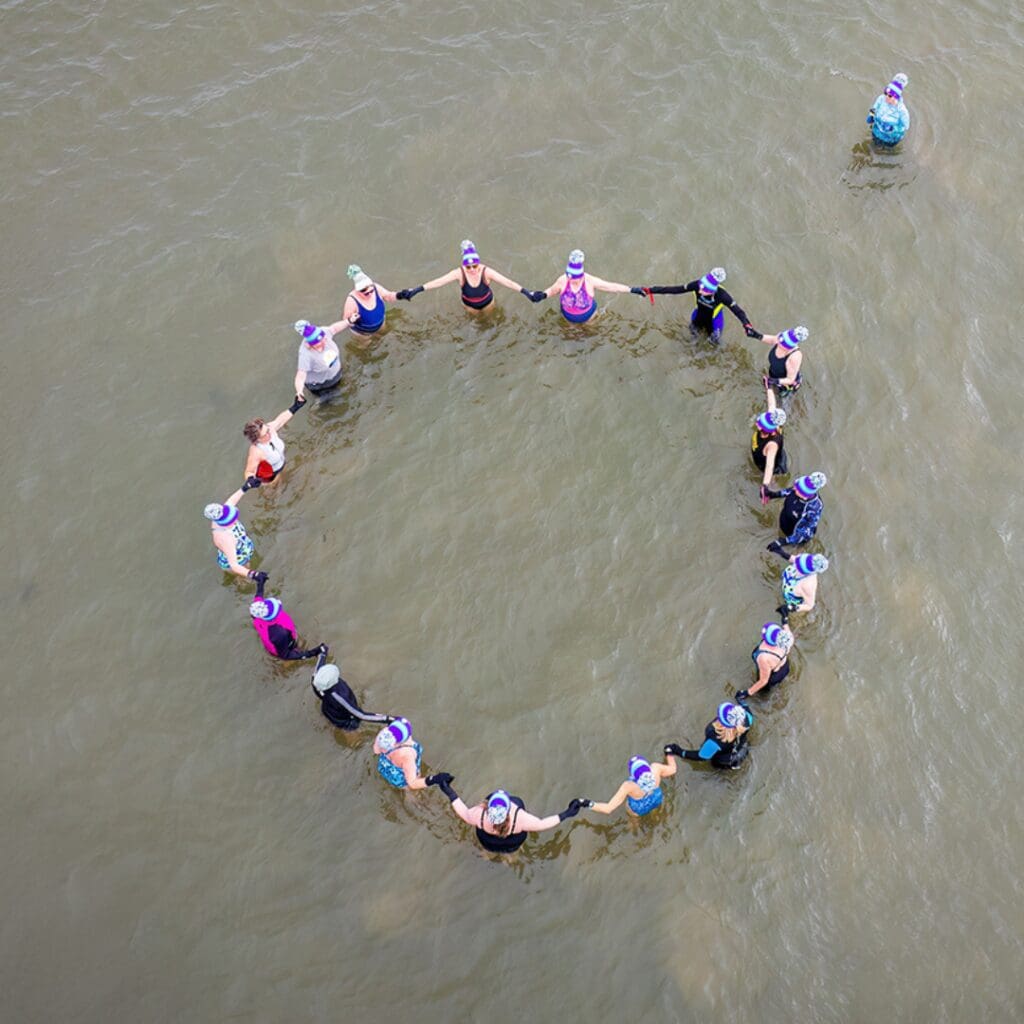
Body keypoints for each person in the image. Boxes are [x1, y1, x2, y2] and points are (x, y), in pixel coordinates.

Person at [426, 776, 586, 853]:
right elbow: (542, 824)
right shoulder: (519, 818)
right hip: (512, 843)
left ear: (489, 808)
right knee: (519, 802)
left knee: (488, 850)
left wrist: (448, 791)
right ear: (508, 808)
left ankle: (488, 855)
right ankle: (510, 857)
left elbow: (464, 813)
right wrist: (567, 813)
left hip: (487, 841)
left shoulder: (480, 815)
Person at [395, 240, 545, 311]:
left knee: (491, 321)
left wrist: (528, 293)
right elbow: (438, 282)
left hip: (488, 303)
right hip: (469, 306)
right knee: (475, 326)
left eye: (475, 266)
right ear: (464, 265)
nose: (472, 269)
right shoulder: (458, 273)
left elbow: (508, 282)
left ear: (479, 263)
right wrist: (416, 290)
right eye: (468, 266)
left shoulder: (486, 272)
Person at [643, 267, 755, 344]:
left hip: (715, 323)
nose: (700, 289)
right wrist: (650, 290)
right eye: (701, 285)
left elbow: (738, 312)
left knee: (714, 344)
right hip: (698, 316)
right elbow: (675, 289)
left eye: (704, 289)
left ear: (712, 291)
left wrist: (747, 325)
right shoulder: (697, 285)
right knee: (692, 338)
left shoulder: (722, 296)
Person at [539, 249, 642, 324]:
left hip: (589, 317)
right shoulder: (562, 280)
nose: (569, 280)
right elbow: (551, 291)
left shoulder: (590, 281)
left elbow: (611, 286)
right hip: (567, 317)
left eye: (572, 278)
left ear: (580, 276)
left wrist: (632, 290)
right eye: (568, 277)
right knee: (570, 335)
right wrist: (541, 295)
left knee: (590, 333)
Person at [310, 652, 391, 731]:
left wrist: (322, 654)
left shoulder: (315, 680)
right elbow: (361, 715)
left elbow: (320, 662)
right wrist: (387, 719)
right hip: (343, 719)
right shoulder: (339, 697)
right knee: (353, 726)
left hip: (328, 709)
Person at [249, 577, 326, 661]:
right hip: (284, 646)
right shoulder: (278, 634)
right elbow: (286, 655)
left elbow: (258, 596)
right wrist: (314, 652)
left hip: (274, 640)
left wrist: (261, 582)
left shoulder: (258, 612)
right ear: (273, 616)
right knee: (293, 653)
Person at [665, 701, 755, 770]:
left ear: (723, 723)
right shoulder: (747, 719)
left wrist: (679, 751)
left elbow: (701, 756)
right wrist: (741, 700)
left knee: (714, 764)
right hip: (742, 750)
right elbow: (746, 708)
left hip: (725, 761)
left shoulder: (715, 740)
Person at [204, 480, 264, 579]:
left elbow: (231, 501)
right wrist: (254, 575)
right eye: (231, 519)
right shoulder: (224, 538)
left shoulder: (220, 513)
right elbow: (234, 565)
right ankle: (239, 581)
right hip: (239, 561)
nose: (234, 519)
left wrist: (246, 487)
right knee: (244, 580)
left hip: (243, 549)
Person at [588, 753, 677, 818]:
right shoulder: (656, 768)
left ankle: (634, 826)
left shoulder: (628, 786)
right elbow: (673, 769)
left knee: (630, 810)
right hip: (656, 799)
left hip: (639, 809)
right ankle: (656, 814)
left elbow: (608, 809)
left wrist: (586, 803)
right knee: (655, 808)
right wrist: (669, 753)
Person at [242, 397, 306, 484]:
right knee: (278, 489)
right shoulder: (256, 451)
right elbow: (249, 471)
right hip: (271, 476)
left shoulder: (269, 429)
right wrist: (251, 480)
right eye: (265, 435)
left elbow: (280, 421)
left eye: (268, 430)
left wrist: (296, 406)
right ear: (257, 439)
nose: (269, 434)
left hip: (282, 463)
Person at [764, 472, 827, 557]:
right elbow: (788, 491)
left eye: (798, 488)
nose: (794, 488)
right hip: (785, 521)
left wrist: (782, 541)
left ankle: (799, 551)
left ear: (805, 495)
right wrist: (771, 494)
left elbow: (803, 533)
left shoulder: (813, 508)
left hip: (794, 534)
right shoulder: (797, 490)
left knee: (795, 552)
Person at [292, 319, 355, 399]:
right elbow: (300, 376)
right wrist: (299, 392)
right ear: (311, 345)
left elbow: (334, 329)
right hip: (321, 385)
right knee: (331, 399)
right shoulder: (306, 355)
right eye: (319, 342)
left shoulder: (323, 333)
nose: (324, 342)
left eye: (324, 338)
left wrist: (348, 321)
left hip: (336, 373)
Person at [735, 622, 795, 702]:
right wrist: (785, 621)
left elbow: (764, 681)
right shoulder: (786, 638)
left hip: (773, 676)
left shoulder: (764, 657)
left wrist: (747, 693)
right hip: (785, 667)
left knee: (762, 693)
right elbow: (789, 632)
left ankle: (765, 699)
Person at [752, 382, 788, 500]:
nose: (757, 425)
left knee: (772, 481)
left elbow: (769, 466)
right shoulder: (773, 419)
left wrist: (765, 485)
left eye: (760, 425)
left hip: (774, 468)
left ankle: (771, 492)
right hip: (765, 455)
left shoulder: (772, 445)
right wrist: (768, 387)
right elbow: (772, 404)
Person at [751, 325, 808, 400]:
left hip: (785, 385)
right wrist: (755, 335)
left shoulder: (795, 357)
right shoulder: (780, 339)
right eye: (779, 340)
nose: (777, 342)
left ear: (789, 347)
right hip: (774, 374)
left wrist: (774, 381)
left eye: (781, 343)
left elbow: (790, 380)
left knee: (781, 400)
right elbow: (772, 340)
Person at [341, 265, 399, 336]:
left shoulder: (376, 288)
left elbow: (389, 296)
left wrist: (401, 295)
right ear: (357, 290)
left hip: (381, 324)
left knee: (384, 335)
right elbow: (346, 321)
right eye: (363, 290)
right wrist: (351, 320)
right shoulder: (352, 300)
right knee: (366, 342)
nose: (369, 292)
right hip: (363, 332)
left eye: (371, 290)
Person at [372, 718, 429, 790]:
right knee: (412, 787)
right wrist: (433, 780)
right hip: (399, 779)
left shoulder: (384, 735)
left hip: (384, 768)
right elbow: (412, 783)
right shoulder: (406, 755)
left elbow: (376, 751)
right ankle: (409, 793)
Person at [778, 552, 829, 622]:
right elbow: (794, 559)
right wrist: (780, 552)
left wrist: (791, 608)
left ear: (804, 573)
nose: (794, 565)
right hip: (788, 584)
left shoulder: (808, 585)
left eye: (797, 566)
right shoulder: (804, 560)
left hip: (792, 601)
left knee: (794, 619)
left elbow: (810, 605)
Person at [867, 73, 910, 145]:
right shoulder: (881, 98)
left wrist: (893, 128)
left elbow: (906, 127)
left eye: (889, 95)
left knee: (885, 150)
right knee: (872, 145)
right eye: (885, 93)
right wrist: (871, 115)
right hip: (877, 131)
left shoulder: (902, 110)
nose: (886, 96)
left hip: (891, 138)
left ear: (896, 96)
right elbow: (874, 108)